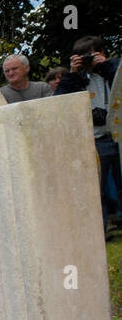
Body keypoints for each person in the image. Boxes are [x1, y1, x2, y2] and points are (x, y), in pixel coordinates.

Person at [55, 35, 121, 232]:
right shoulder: (77, 78)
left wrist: (107, 67)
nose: (88, 60)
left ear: (102, 53)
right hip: (93, 140)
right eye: (83, 56)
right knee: (95, 191)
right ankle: (99, 232)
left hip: (117, 137)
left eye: (91, 55)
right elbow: (59, 103)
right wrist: (73, 74)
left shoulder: (115, 69)